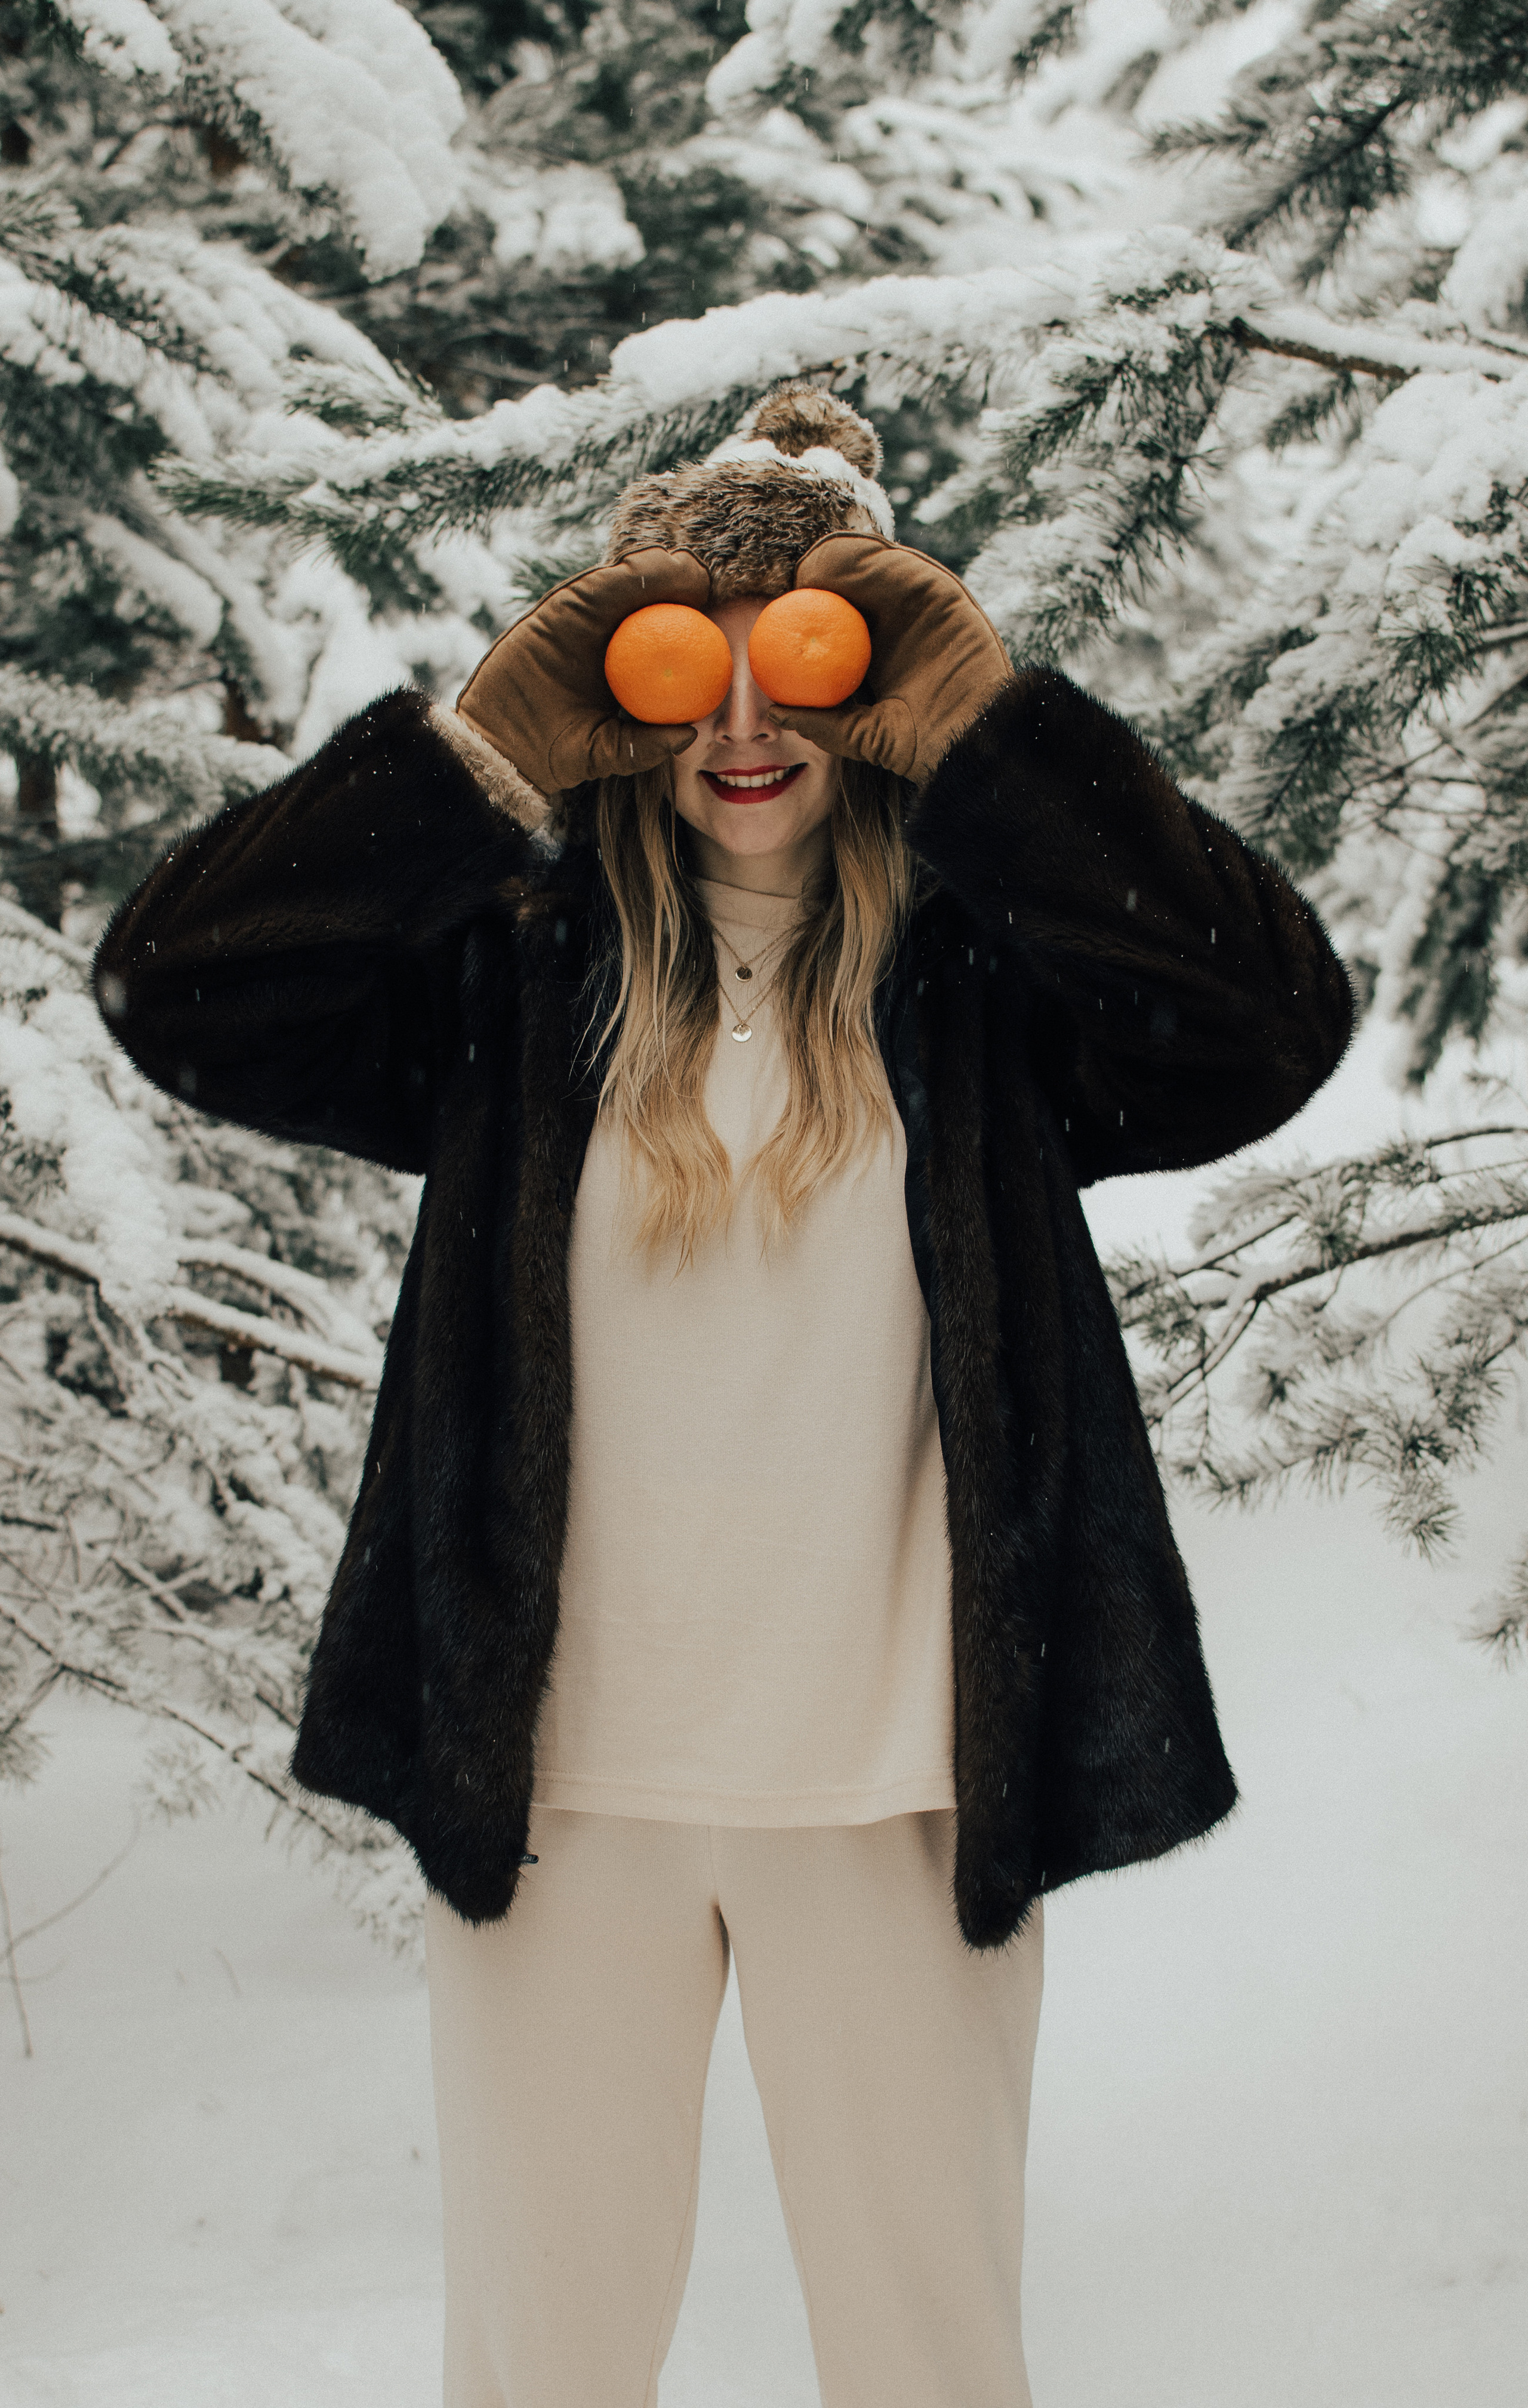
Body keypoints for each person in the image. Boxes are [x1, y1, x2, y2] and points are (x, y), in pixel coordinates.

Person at [92, 381, 1354, 2408]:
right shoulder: (513, 975)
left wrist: (994, 728)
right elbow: (180, 983)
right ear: (624, 686)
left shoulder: (985, 981)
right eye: (687, 673)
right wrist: (479, 752)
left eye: (803, 675)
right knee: (543, 2368)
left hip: (900, 1789)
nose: (744, 728)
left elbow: (1279, 1017)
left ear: (873, 692)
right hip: (561, 1781)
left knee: (930, 2362)